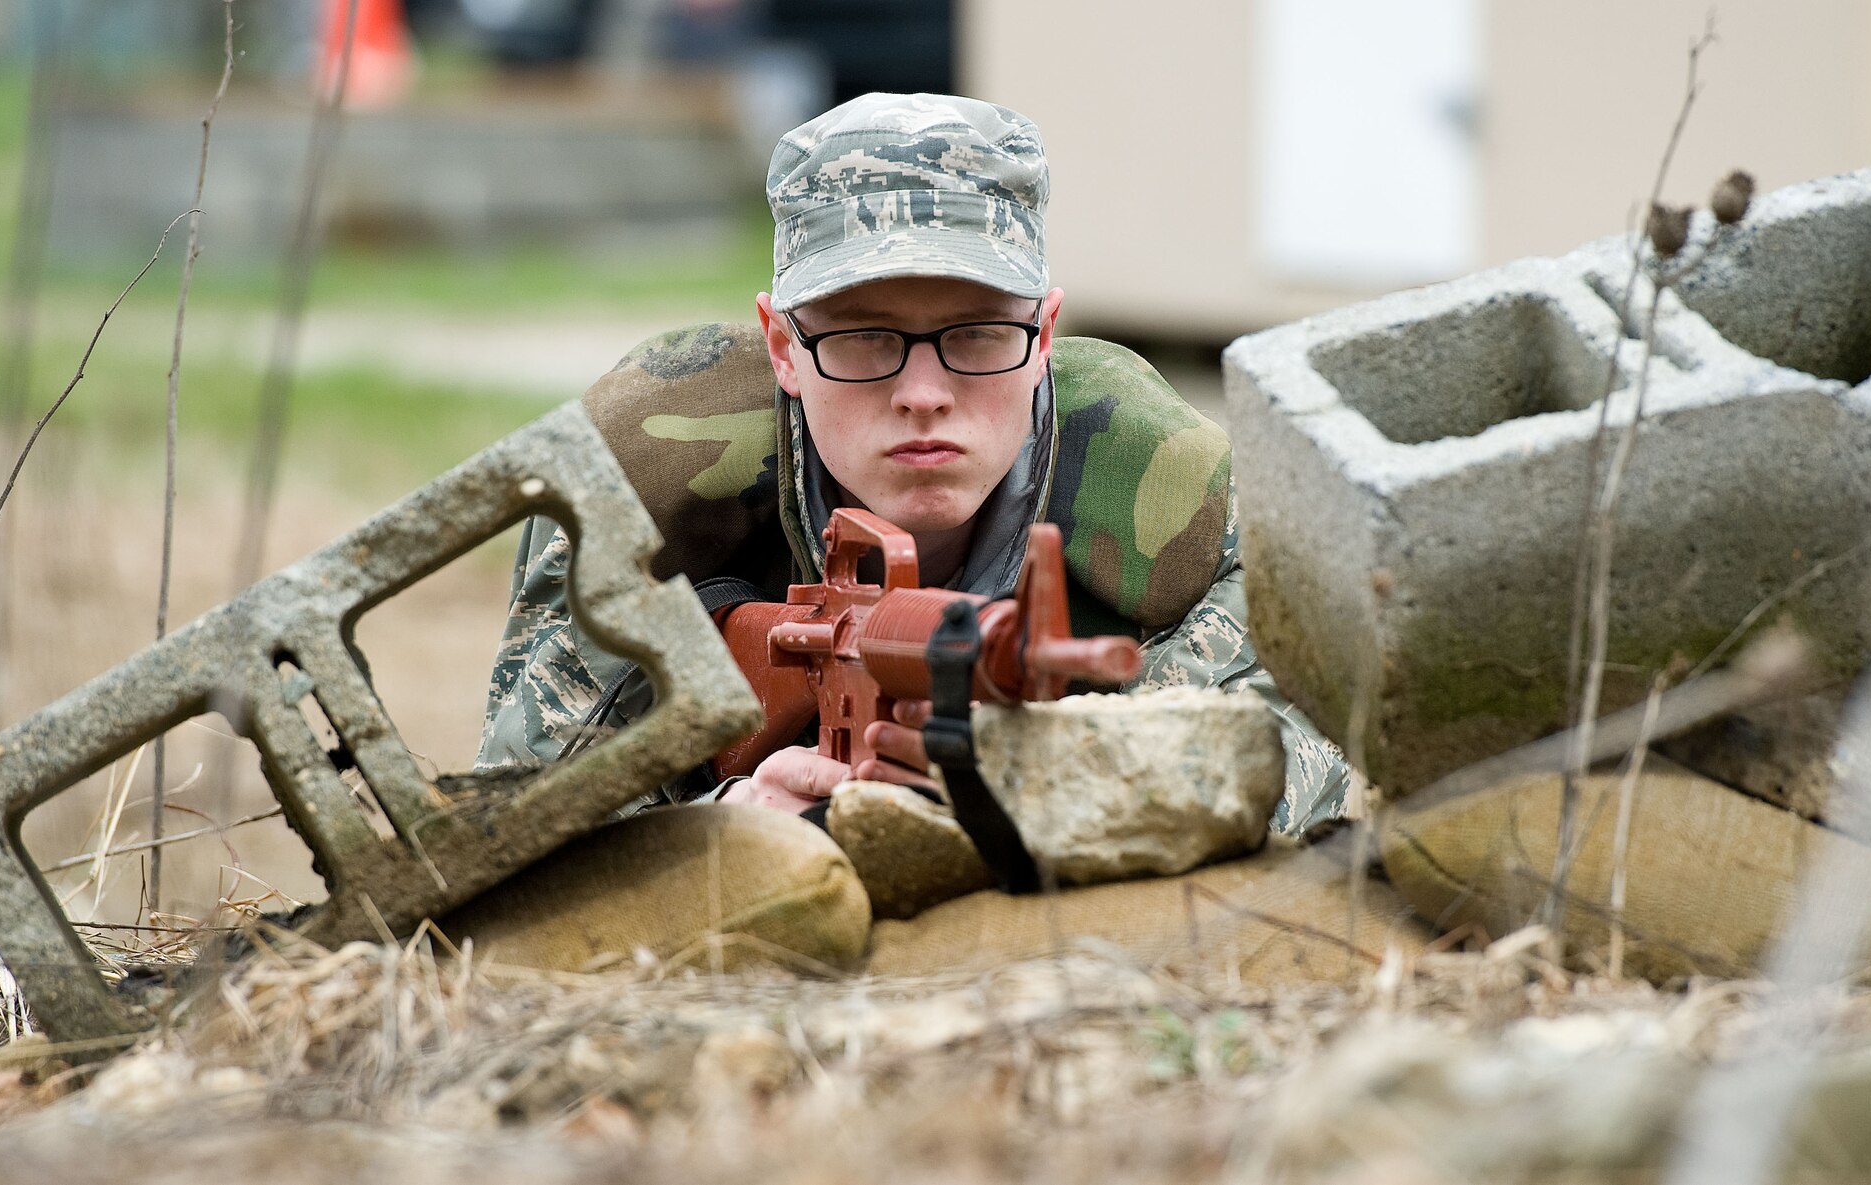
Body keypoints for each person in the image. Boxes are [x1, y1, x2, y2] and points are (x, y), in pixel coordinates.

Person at [476, 92, 1348, 835]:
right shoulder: (645, 472)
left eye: (976, 334)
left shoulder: (1165, 489)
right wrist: (722, 826)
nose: (923, 392)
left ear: (1045, 336)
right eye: (863, 338)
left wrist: (1046, 790)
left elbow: (1288, 772)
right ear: (782, 345)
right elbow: (516, 829)